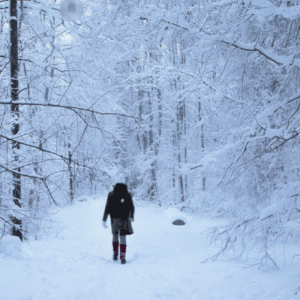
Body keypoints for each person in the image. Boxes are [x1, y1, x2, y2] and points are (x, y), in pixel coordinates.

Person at [102, 183, 135, 264]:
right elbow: (132, 207)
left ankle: (115, 254)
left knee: (115, 235)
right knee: (123, 236)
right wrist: (131, 216)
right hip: (124, 219)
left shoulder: (111, 194)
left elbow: (107, 207)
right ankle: (123, 257)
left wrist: (104, 219)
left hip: (114, 219)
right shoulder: (127, 194)